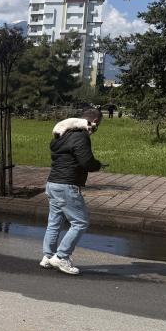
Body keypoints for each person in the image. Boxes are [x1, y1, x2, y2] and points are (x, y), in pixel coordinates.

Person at [40, 108, 104, 275]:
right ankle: (61, 257)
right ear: (95, 121)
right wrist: (97, 165)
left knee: (55, 222)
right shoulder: (81, 137)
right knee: (80, 222)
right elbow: (86, 161)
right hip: (66, 185)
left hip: (53, 183)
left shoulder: (63, 134)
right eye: (98, 124)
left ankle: (48, 256)